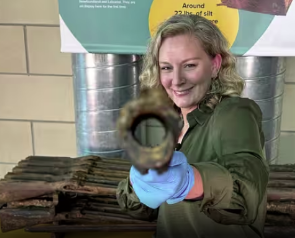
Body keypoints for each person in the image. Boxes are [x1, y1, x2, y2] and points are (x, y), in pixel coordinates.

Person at [116, 14, 270, 238]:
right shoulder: (166, 123)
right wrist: (138, 180)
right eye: (166, 68)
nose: (176, 80)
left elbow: (248, 194)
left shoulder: (233, 112)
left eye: (189, 65)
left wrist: (189, 182)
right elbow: (138, 208)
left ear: (215, 65)